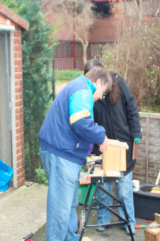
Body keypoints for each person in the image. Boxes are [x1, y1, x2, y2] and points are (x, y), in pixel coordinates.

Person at [39, 66, 112, 241]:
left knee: (70, 205)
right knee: (60, 210)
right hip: (61, 155)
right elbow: (80, 121)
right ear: (98, 82)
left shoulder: (79, 87)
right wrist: (101, 136)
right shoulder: (82, 89)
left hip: (64, 153)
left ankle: (71, 238)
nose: (101, 98)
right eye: (103, 93)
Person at [84, 58, 142, 234]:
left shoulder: (117, 81)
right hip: (100, 146)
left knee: (124, 188)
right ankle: (103, 220)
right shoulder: (87, 92)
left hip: (123, 145)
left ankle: (129, 222)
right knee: (103, 187)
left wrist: (136, 133)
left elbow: (131, 107)